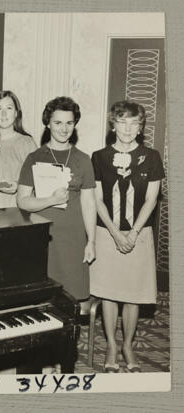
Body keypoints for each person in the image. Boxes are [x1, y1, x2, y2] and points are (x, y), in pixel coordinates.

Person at [90, 101, 164, 373]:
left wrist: (131, 234)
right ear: (113, 125)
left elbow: (151, 199)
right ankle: (110, 344)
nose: (128, 128)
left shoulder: (151, 156)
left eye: (134, 123)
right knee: (109, 293)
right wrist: (114, 233)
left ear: (141, 127)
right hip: (107, 232)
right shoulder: (99, 157)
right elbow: (97, 200)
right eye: (122, 122)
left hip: (139, 234)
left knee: (132, 294)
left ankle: (128, 345)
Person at [17, 96, 97, 302]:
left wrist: (91, 241)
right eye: (58, 122)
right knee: (43, 300)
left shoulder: (83, 159)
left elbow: (89, 203)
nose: (64, 129)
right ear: (47, 123)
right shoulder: (34, 158)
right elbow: (22, 201)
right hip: (44, 237)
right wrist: (50, 200)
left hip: (73, 237)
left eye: (69, 123)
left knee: (72, 297)